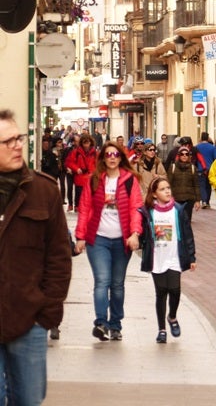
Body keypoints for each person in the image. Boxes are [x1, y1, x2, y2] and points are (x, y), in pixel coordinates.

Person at [0, 110, 71, 405]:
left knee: (28, 400)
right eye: (8, 141)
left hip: (28, 321)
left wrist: (46, 314)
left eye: (19, 138)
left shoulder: (43, 191)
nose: (18, 145)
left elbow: (59, 257)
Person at [74, 141, 143, 341]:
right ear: (103, 158)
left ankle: (116, 325)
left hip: (122, 241)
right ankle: (101, 323)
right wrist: (80, 237)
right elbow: (85, 208)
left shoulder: (130, 181)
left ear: (121, 157)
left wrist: (135, 233)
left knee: (118, 285)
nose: (112, 157)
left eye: (116, 154)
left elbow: (135, 208)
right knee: (102, 281)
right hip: (98, 239)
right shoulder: (94, 180)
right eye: (108, 154)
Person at [138, 177, 196, 344]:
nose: (167, 191)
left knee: (175, 290)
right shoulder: (148, 212)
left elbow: (187, 235)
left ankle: (172, 316)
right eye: (162, 189)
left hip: (174, 257)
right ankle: (162, 329)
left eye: (168, 188)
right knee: (161, 292)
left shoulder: (178, 210)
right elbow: (142, 234)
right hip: (157, 258)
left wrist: (192, 257)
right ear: (154, 194)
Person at [65, 133, 98, 211]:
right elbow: (69, 162)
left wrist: (95, 172)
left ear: (91, 143)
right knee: (79, 193)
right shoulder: (76, 152)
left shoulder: (95, 153)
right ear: (81, 143)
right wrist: (76, 169)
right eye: (84, 143)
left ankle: (88, 207)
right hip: (80, 177)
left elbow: (98, 164)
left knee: (90, 194)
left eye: (88, 143)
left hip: (90, 177)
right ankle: (77, 206)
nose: (86, 145)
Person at [167, 146, 201, 220]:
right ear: (179, 156)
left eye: (186, 154)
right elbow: (168, 184)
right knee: (177, 220)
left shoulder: (193, 168)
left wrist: (197, 200)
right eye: (182, 154)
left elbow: (196, 185)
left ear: (189, 156)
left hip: (189, 199)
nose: (184, 156)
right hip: (176, 199)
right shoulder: (173, 167)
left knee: (187, 221)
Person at [195, 132, 216, 209]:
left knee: (202, 185)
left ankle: (204, 201)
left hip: (200, 169)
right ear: (208, 138)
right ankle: (207, 201)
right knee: (208, 186)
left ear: (201, 138)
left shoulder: (197, 147)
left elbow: (195, 159)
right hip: (210, 169)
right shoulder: (212, 147)